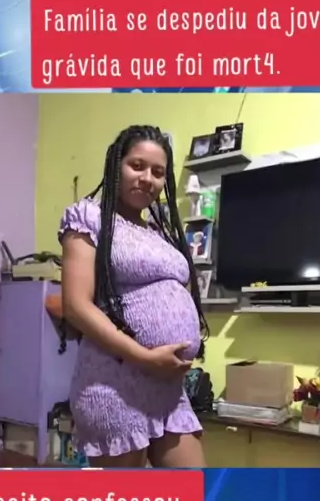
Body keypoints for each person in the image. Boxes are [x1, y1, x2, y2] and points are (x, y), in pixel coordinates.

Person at [59, 124, 209, 468]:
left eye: (158, 172)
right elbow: (76, 306)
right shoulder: (88, 217)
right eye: (137, 166)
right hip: (116, 385)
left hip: (167, 390)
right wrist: (145, 357)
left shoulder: (158, 232)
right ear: (116, 165)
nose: (147, 179)